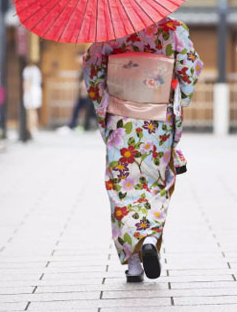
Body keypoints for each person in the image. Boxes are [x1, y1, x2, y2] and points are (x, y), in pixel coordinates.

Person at [83, 17, 203, 282]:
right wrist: (175, 94)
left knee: (122, 186)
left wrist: (106, 100)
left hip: (121, 122)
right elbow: (190, 70)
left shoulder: (108, 30)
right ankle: (149, 236)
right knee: (154, 183)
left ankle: (134, 262)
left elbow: (92, 72)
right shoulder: (173, 29)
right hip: (158, 122)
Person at [22, 61, 42, 137]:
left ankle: (31, 127)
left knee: (30, 111)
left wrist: (27, 93)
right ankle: (34, 127)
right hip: (36, 91)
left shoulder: (28, 70)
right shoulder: (36, 69)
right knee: (34, 111)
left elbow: (27, 82)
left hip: (31, 91)